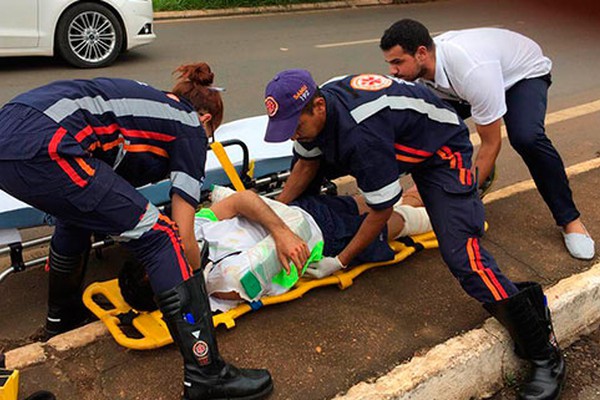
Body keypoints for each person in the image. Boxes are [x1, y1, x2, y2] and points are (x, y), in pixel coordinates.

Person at [263, 69, 565, 400]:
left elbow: (381, 212)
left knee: (463, 256)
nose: (293, 135)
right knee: (309, 178)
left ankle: (544, 354)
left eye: (296, 127)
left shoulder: (362, 135)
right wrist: (277, 213)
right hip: (401, 137)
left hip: (442, 152)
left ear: (318, 106)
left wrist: (340, 260)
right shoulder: (321, 110)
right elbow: (305, 165)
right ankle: (525, 302)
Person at [0, 64, 287, 400]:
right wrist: (196, 276)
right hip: (48, 143)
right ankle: (207, 373)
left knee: (76, 216)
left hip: (13, 127)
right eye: (210, 137)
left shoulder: (149, 105)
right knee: (162, 237)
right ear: (206, 120)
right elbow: (183, 231)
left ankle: (61, 322)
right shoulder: (190, 125)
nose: (205, 143)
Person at [379, 19, 595, 261]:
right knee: (427, 129)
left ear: (421, 53)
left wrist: (461, 204)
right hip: (468, 84)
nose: (393, 71)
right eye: (390, 63)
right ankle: (461, 179)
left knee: (527, 138)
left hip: (520, 75)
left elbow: (491, 143)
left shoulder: (472, 70)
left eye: (398, 62)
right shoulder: (415, 74)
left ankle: (570, 220)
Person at [120, 186, 432, 313]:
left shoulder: (190, 238)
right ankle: (437, 211)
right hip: (324, 238)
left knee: (380, 200)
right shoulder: (229, 280)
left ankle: (428, 196)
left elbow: (243, 198)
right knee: (400, 219)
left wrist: (276, 227)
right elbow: (293, 241)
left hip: (297, 211)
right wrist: (278, 227)